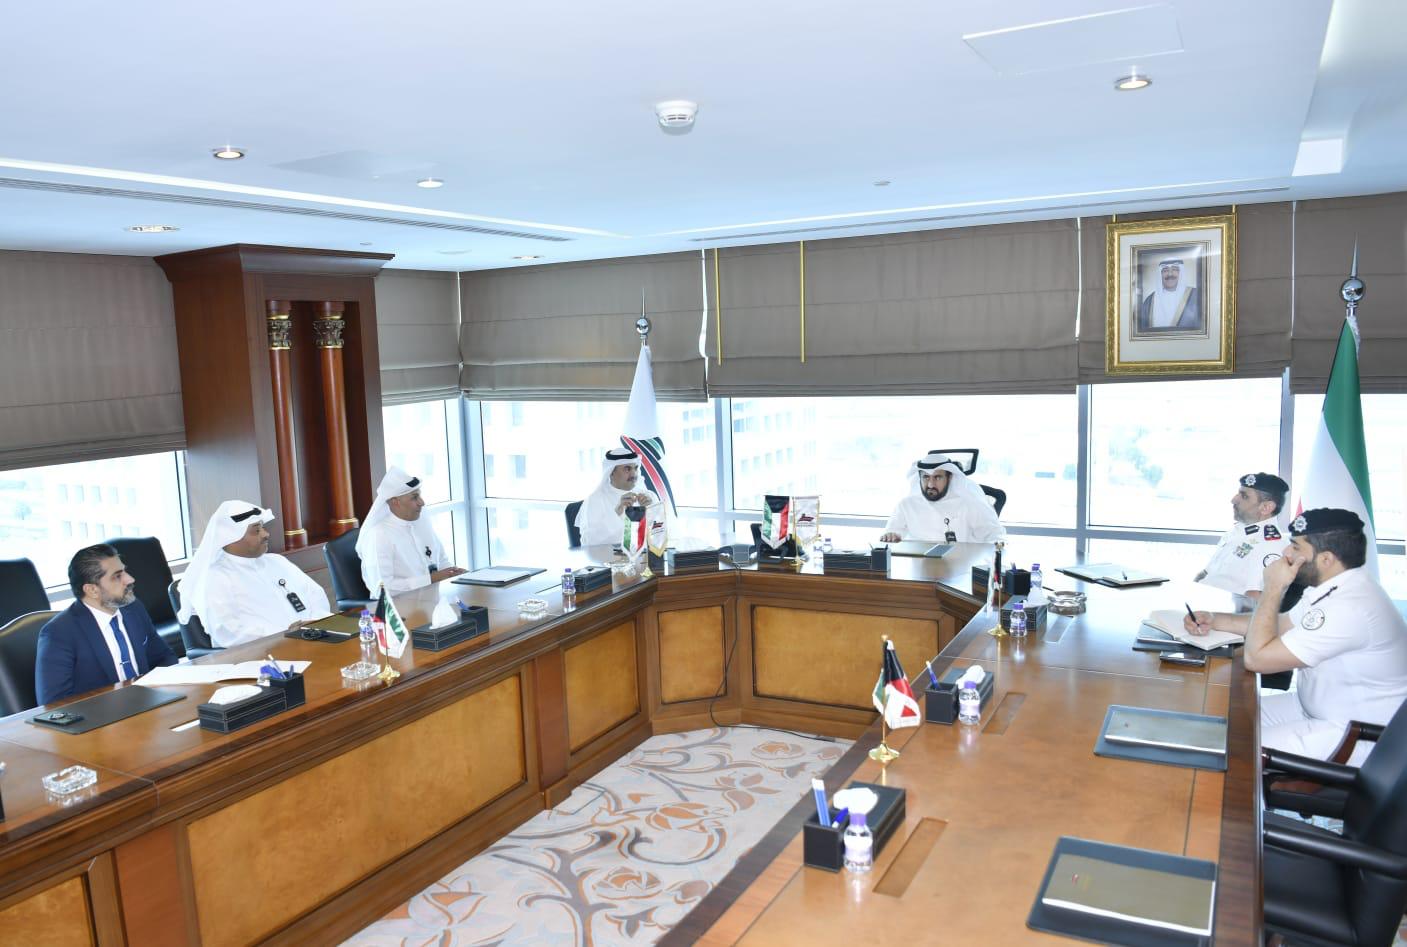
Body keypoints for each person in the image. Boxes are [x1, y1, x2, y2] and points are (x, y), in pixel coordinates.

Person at [1185, 508, 1407, 765]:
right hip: (1312, 707)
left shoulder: (1351, 607)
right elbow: (1282, 624)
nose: (1286, 553)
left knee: (1231, 750)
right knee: (1219, 719)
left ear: (1326, 559)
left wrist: (1273, 587)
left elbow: (1257, 659)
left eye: (1296, 546)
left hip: (1357, 733)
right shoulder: (1337, 586)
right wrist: (1216, 619)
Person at [34, 544, 179, 705]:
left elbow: (165, 657)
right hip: (100, 716)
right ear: (92, 590)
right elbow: (53, 704)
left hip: (149, 704)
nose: (130, 579)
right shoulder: (58, 633)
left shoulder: (133, 608)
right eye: (117, 576)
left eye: (124, 571)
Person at [178, 500, 332, 649]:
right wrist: (285, 634)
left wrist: (314, 624)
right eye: (256, 531)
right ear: (231, 537)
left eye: (263, 527)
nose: (266, 534)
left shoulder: (277, 562)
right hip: (260, 655)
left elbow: (316, 596)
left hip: (311, 641)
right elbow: (229, 632)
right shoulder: (215, 578)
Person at [356, 466, 464, 594]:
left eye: (419, 496)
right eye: (414, 497)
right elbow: (383, 588)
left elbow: (443, 561)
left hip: (435, 596)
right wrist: (430, 579)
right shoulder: (378, 535)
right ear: (395, 502)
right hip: (399, 604)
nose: (422, 502)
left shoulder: (422, 523)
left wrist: (456, 574)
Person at [1195, 472, 1290, 611]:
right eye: (1238, 493)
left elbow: (1255, 603)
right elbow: (1207, 573)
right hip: (1202, 605)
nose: (1233, 500)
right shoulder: (1238, 531)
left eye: (1244, 496)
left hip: (1222, 616)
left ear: (1266, 507)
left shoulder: (1271, 545)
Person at [879, 451, 1005, 544]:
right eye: (925, 477)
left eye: (937, 477)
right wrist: (891, 536)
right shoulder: (906, 505)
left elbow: (995, 535)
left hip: (961, 567)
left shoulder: (969, 503)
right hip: (919, 567)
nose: (930, 484)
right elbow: (892, 532)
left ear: (949, 477)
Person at [574, 448, 659, 547]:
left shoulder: (649, 496)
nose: (633, 474)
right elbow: (589, 542)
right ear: (611, 472)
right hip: (609, 556)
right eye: (627, 469)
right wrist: (616, 513)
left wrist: (652, 510)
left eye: (635, 468)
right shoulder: (595, 500)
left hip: (644, 555)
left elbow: (661, 536)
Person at [1137, 258, 1202, 332]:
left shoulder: (1196, 295)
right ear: (1160, 275)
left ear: (1181, 273)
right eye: (1165, 270)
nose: (1170, 274)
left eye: (1174, 269)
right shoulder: (1150, 301)